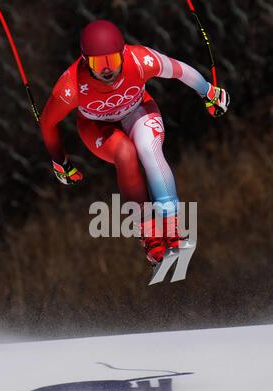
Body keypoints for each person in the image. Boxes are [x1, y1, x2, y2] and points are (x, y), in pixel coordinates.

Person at [40, 20, 230, 265]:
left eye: (113, 60)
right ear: (85, 61)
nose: (107, 70)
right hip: (97, 126)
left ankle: (172, 225)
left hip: (137, 109)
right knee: (126, 153)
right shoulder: (70, 86)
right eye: (99, 63)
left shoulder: (140, 60)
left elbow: (179, 70)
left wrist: (208, 92)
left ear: (123, 54)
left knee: (148, 150)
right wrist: (60, 162)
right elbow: (47, 123)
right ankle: (149, 233)